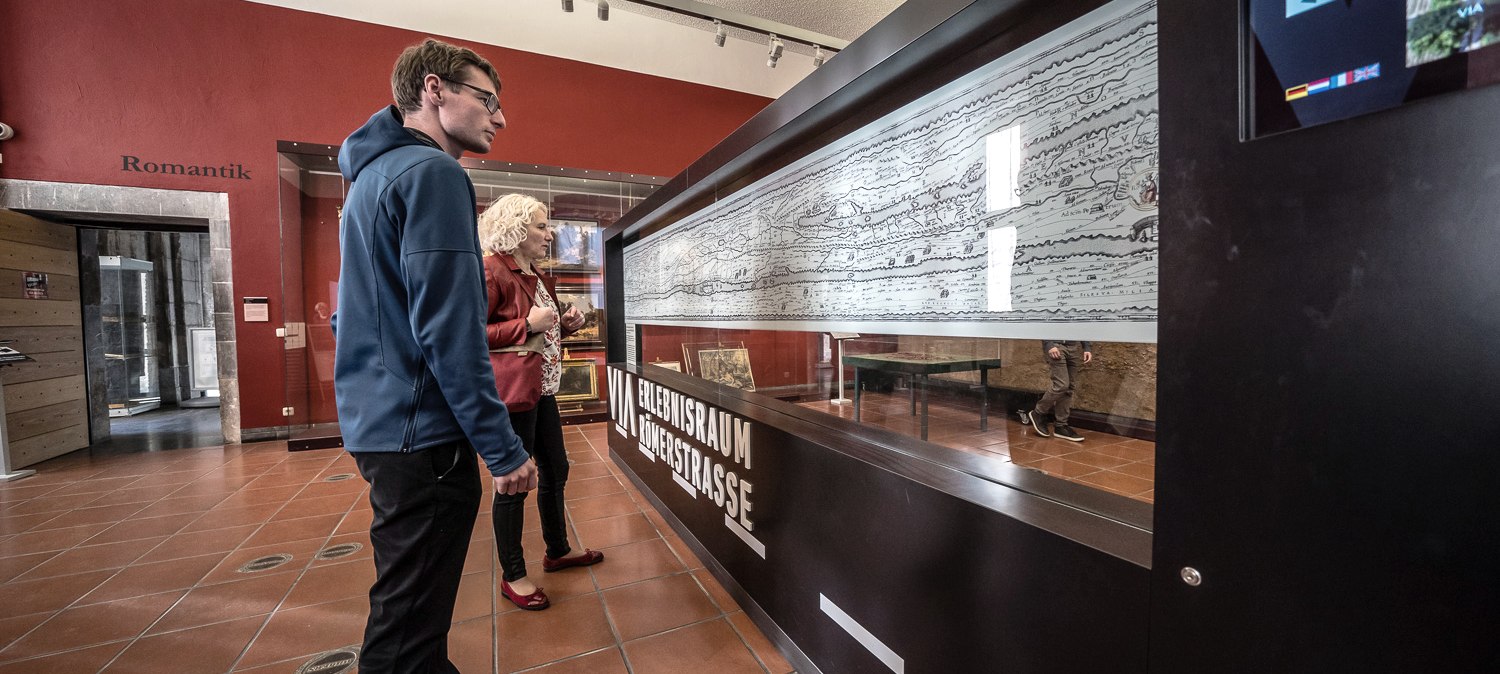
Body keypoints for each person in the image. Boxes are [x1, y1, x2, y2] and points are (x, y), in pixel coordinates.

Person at [332, 38, 537, 672]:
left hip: (380, 422)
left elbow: (353, 315)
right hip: (422, 436)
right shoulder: (434, 174)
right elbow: (449, 333)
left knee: (409, 612)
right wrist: (502, 449)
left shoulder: (371, 177)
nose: (499, 118)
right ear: (432, 90)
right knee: (406, 639)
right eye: (486, 100)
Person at [478, 194, 605, 611]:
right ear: (515, 229)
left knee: (557, 468)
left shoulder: (535, 273)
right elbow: (468, 335)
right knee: (514, 483)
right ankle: (513, 575)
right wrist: (525, 324)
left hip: (543, 389)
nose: (550, 234)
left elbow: (538, 337)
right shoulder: (492, 269)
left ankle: (557, 550)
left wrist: (564, 328)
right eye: (541, 226)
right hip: (516, 397)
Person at [1019, 340, 1093, 442]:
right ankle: (1038, 412)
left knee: (1069, 388)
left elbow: (1084, 325)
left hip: (1073, 347)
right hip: (1057, 346)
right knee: (1061, 385)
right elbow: (1045, 324)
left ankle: (1061, 426)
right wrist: (1049, 344)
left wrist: (1087, 347)